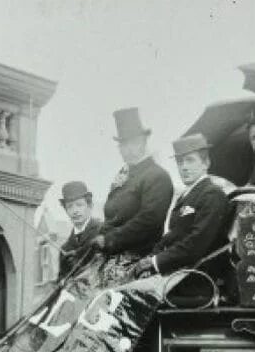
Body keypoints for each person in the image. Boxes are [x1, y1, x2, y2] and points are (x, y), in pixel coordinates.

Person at [128, 134, 230, 278]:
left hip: (199, 277)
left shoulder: (212, 195)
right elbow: (172, 236)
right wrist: (151, 258)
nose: (184, 167)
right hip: (180, 272)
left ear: (206, 163)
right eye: (180, 162)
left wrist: (156, 262)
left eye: (190, 160)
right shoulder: (188, 195)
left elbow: (195, 245)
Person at [94, 108, 174, 261]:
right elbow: (111, 219)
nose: (127, 150)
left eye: (133, 143)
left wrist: (110, 239)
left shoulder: (157, 176)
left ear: (144, 142)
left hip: (139, 256)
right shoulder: (123, 176)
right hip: (111, 254)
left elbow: (149, 221)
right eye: (123, 145)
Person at [54, 180, 101, 278]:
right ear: (66, 211)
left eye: (79, 205)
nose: (75, 211)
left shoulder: (102, 231)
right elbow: (62, 282)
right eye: (70, 206)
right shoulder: (65, 248)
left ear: (90, 206)